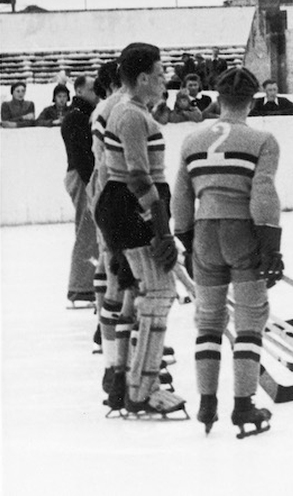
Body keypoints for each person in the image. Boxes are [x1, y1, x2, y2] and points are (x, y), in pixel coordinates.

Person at [173, 67, 282, 436]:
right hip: (243, 232)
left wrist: (187, 243)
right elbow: (263, 193)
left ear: (218, 99)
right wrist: (271, 248)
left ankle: (206, 404)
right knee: (251, 318)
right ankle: (243, 405)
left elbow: (181, 198)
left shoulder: (192, 140)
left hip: (204, 231)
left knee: (208, 319)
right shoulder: (263, 140)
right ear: (251, 101)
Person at [94, 42, 185, 418]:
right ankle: (142, 390)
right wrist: (160, 227)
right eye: (161, 73)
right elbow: (136, 174)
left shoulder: (135, 112)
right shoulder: (130, 115)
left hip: (129, 208)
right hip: (129, 209)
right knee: (159, 292)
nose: (165, 80)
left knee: (139, 296)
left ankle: (127, 383)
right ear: (144, 77)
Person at [60, 75, 100, 304]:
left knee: (90, 229)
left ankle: (85, 284)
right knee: (86, 229)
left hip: (82, 175)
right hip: (82, 176)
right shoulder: (76, 118)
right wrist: (91, 182)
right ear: (79, 91)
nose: (96, 92)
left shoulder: (81, 115)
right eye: (92, 89)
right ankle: (80, 286)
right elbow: (81, 155)